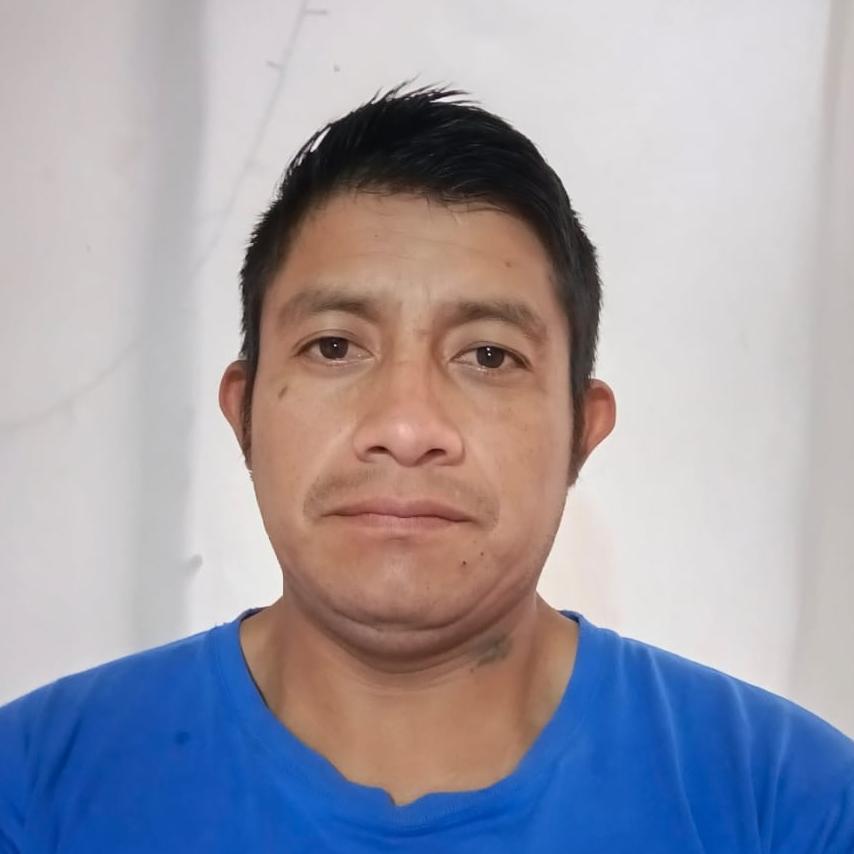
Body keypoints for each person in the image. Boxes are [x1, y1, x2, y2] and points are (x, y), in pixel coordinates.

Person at [1, 84, 852, 853]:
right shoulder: (34, 790)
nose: (406, 428)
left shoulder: (790, 808)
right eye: (335, 346)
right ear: (244, 410)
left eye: (488, 355)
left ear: (582, 430)